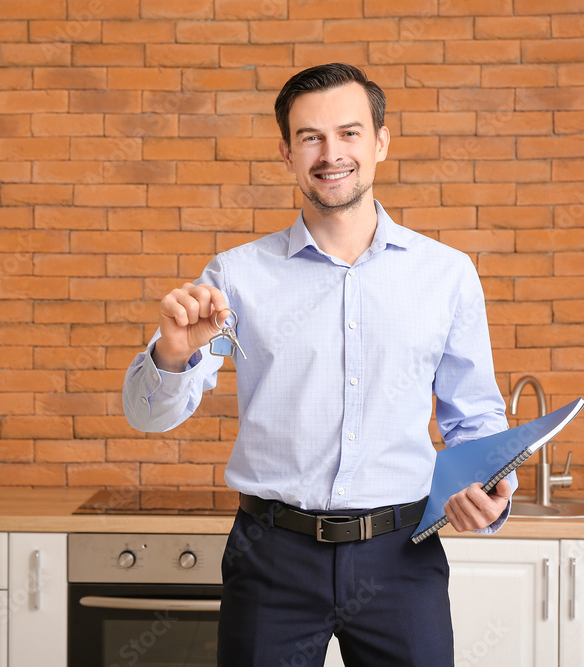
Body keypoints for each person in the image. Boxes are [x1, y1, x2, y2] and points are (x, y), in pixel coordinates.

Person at [122, 63, 515, 667]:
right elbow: (149, 418)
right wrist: (173, 353)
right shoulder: (236, 277)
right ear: (287, 152)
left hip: (401, 557)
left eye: (350, 133)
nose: (331, 154)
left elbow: (475, 418)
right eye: (311, 137)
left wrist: (491, 486)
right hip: (271, 556)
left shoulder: (447, 275)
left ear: (381, 141)